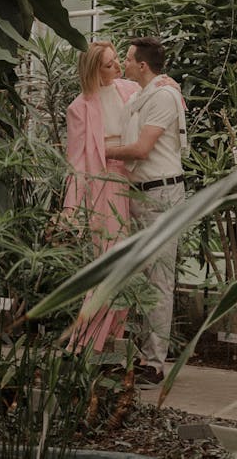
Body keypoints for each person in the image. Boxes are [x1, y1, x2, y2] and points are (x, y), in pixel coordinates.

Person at [105, 37, 186, 388]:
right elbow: (102, 79)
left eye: (126, 59)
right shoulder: (139, 95)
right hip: (137, 194)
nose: (122, 64)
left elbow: (141, 149)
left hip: (162, 195)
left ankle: (154, 363)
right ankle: (136, 355)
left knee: (159, 279)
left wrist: (99, 153)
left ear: (142, 65)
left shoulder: (164, 97)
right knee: (136, 276)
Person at [62, 41, 139, 353]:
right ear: (94, 69)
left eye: (117, 59)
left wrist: (166, 80)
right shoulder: (79, 107)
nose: (118, 66)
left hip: (135, 178)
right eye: (109, 64)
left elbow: (160, 97)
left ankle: (112, 338)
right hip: (104, 184)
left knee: (128, 261)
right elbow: (77, 160)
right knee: (110, 260)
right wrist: (71, 209)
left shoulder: (129, 89)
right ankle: (87, 339)